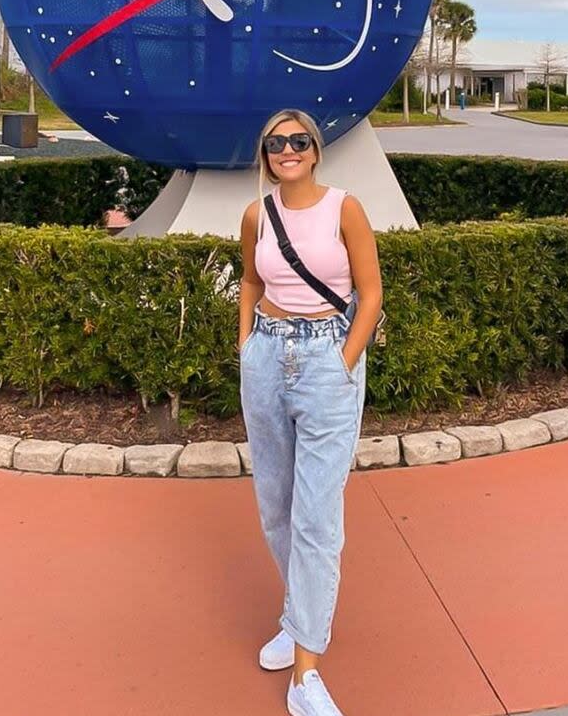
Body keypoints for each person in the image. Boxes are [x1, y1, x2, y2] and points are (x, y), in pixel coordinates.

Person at [238, 108, 383, 716]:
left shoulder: (344, 207)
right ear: (266, 154)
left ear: (317, 150)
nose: (287, 150)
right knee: (277, 506)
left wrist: (346, 359)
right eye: (276, 143)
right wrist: (245, 345)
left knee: (317, 519)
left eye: (298, 141)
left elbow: (371, 292)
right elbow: (250, 280)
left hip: (327, 359)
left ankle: (306, 674)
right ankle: (296, 618)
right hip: (267, 358)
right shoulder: (256, 214)